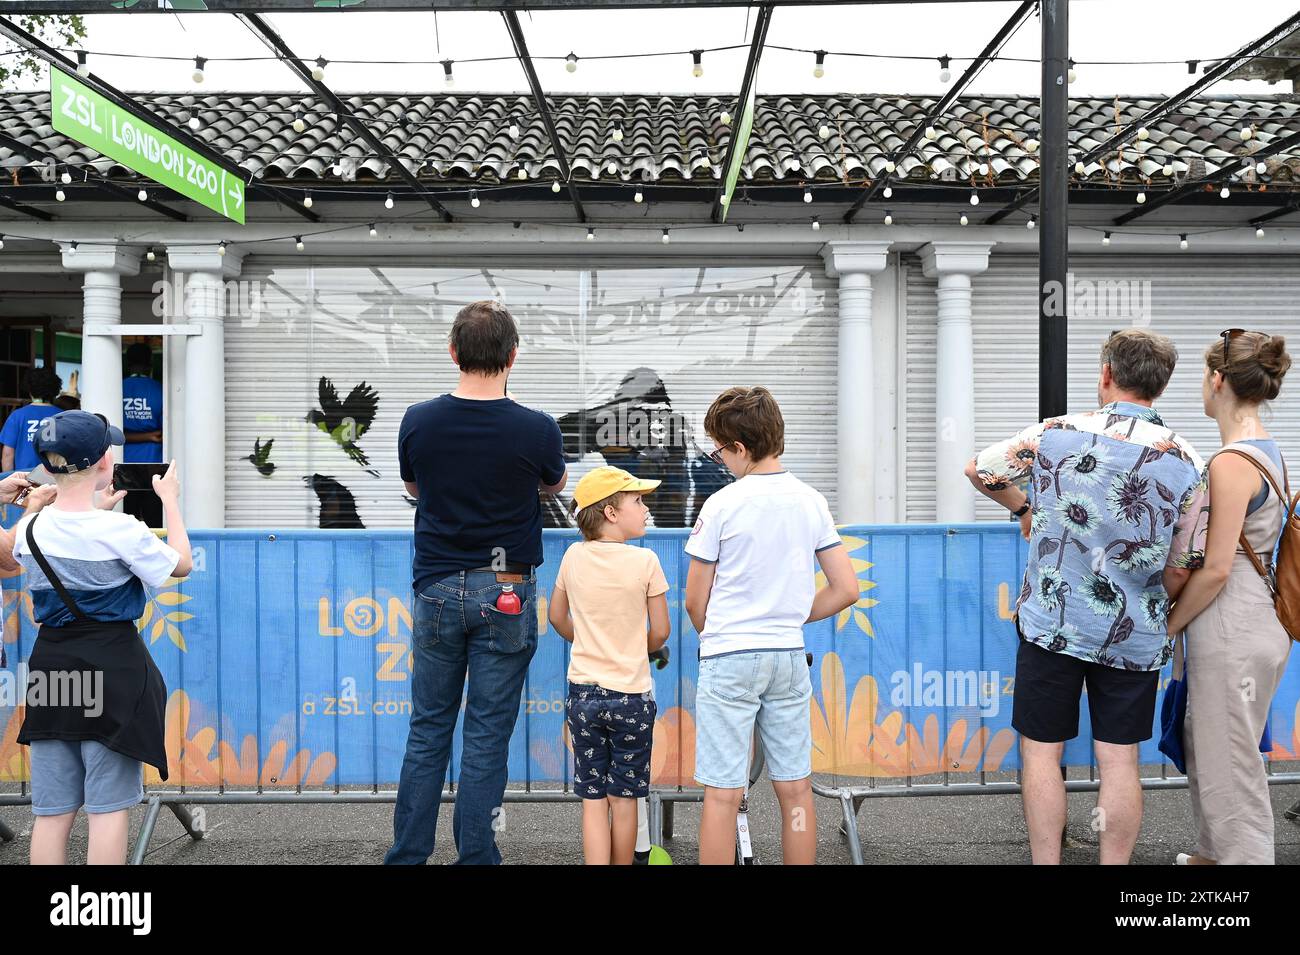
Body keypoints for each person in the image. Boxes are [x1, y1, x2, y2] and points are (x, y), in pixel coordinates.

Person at [965, 328, 1209, 865]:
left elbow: (980, 469)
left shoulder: (1056, 433)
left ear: (1106, 374)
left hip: (1052, 620)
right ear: (1161, 385)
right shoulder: (1190, 461)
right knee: (1120, 761)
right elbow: (1186, 562)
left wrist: (1025, 508)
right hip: (1136, 633)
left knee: (1041, 755)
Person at [386, 300, 567, 865]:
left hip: (438, 583)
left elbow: (414, 489)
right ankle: (477, 857)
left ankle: (408, 856)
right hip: (506, 585)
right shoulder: (537, 428)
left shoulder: (419, 419)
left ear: (453, 352)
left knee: (428, 729)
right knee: (487, 735)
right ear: (514, 355)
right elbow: (555, 485)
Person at [0, 411, 191, 865]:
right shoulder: (121, 530)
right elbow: (180, 564)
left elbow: (56, 537)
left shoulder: (28, 527)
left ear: (47, 462)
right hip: (112, 668)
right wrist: (171, 501)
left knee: (51, 813)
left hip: (51, 668)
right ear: (105, 461)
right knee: (106, 811)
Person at [684, 386, 858, 865]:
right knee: (796, 790)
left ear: (739, 448)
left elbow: (695, 600)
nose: (719, 460)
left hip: (729, 656)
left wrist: (725, 628)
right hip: (786, 655)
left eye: (720, 450)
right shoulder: (811, 500)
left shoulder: (720, 505)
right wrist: (787, 613)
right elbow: (845, 589)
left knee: (722, 793)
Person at [1166, 330, 1292, 865]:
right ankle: (1213, 853)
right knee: (1214, 741)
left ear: (1217, 380)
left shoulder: (1230, 462)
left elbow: (1214, 569)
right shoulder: (1269, 452)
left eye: (1202, 375)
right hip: (1258, 618)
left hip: (1231, 621)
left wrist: (1166, 625)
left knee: (1228, 754)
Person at [547, 465, 670, 864]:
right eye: (637, 500)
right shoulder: (646, 561)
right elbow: (661, 631)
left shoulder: (572, 556)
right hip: (631, 696)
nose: (645, 509)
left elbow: (556, 616)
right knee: (626, 796)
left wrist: (584, 640)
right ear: (611, 513)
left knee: (592, 797)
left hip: (582, 694)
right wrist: (635, 648)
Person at [1, 367, 62, 472]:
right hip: (56, 479)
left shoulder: (17, 416)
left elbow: (7, 455)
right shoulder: (63, 415)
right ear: (54, 389)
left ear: (29, 390)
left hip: (24, 480)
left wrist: (10, 480)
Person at [122, 343, 163, 463]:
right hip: (153, 457)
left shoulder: (116, 388)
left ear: (128, 362)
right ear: (150, 362)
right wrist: (149, 436)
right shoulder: (161, 389)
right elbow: (165, 433)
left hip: (122, 458)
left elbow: (107, 432)